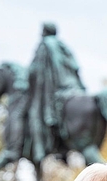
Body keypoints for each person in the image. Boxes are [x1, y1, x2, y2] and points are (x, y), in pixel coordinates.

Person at [27, 21, 86, 163]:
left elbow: (34, 70)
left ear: (45, 32)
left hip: (56, 89)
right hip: (73, 87)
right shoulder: (63, 46)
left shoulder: (44, 45)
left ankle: (39, 150)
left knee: (35, 113)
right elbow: (75, 66)